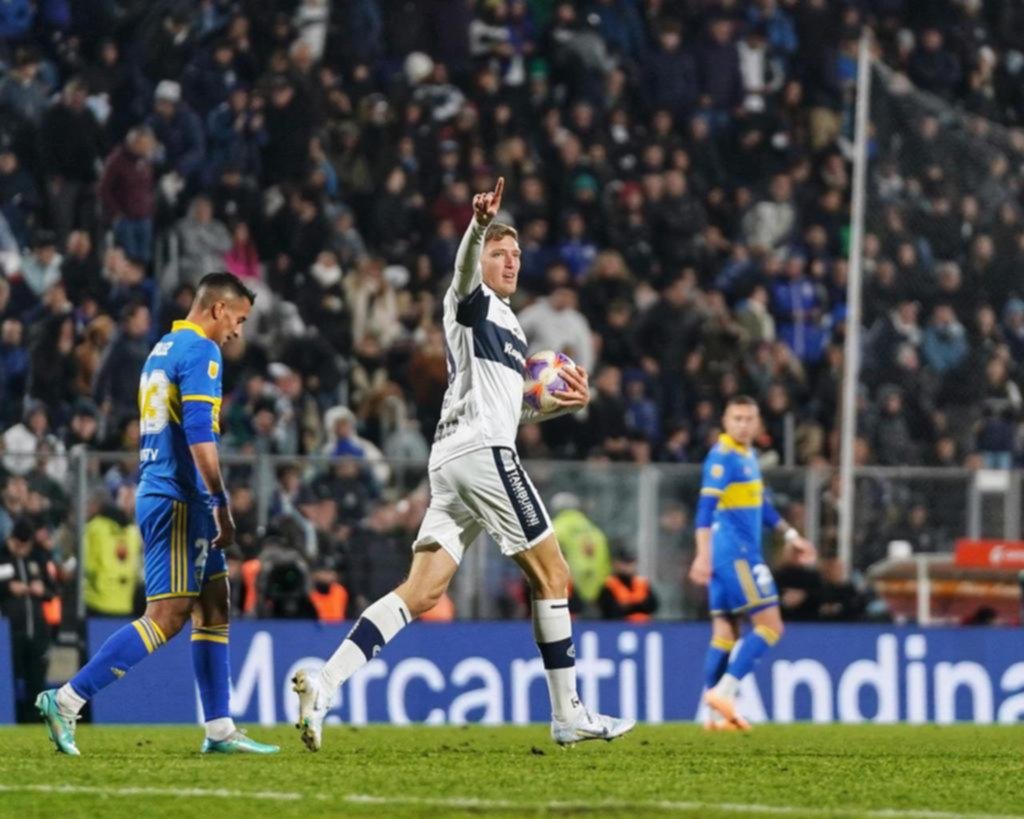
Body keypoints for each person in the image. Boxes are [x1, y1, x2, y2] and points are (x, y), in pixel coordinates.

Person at [293, 179, 634, 750]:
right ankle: (567, 712)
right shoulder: (469, 302)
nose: (510, 261)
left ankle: (324, 684)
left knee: (423, 591)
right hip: (481, 455)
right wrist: (477, 228)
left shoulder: (511, 325)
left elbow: (510, 409)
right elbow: (460, 277)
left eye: (516, 254)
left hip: (455, 457)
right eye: (500, 253)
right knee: (554, 575)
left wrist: (553, 407)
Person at [36, 272, 278, 755]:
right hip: (179, 498)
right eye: (239, 319)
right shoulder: (202, 352)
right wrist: (221, 503)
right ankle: (66, 699)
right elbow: (199, 436)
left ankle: (220, 728)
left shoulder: (163, 348)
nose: (238, 332)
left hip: (160, 488)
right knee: (166, 617)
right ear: (217, 309)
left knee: (214, 604)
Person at [688, 395, 815, 731]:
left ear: (757, 423)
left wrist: (790, 536)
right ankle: (725, 693)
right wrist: (702, 554)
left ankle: (713, 718)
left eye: (749, 419)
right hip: (735, 553)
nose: (743, 424)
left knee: (725, 633)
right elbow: (704, 510)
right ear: (725, 422)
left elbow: (763, 504)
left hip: (730, 553)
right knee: (771, 625)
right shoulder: (723, 457)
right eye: (737, 418)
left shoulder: (749, 456)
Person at [0, 518, 59, 722]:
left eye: (26, 546)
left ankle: (33, 723)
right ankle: (9, 720)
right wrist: (7, 588)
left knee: (36, 682)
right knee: (9, 679)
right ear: (10, 540)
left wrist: (43, 591)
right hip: (9, 633)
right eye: (17, 545)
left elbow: (53, 590)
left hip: (37, 631)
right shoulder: (2, 558)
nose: (21, 550)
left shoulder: (39, 559)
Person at [597, 546, 658, 622]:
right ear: (615, 564)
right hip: (618, 627)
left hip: (644, 626)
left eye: (631, 562)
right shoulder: (609, 584)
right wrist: (638, 605)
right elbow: (610, 610)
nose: (629, 566)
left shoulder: (641, 583)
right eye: (625, 562)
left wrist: (628, 606)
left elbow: (652, 606)